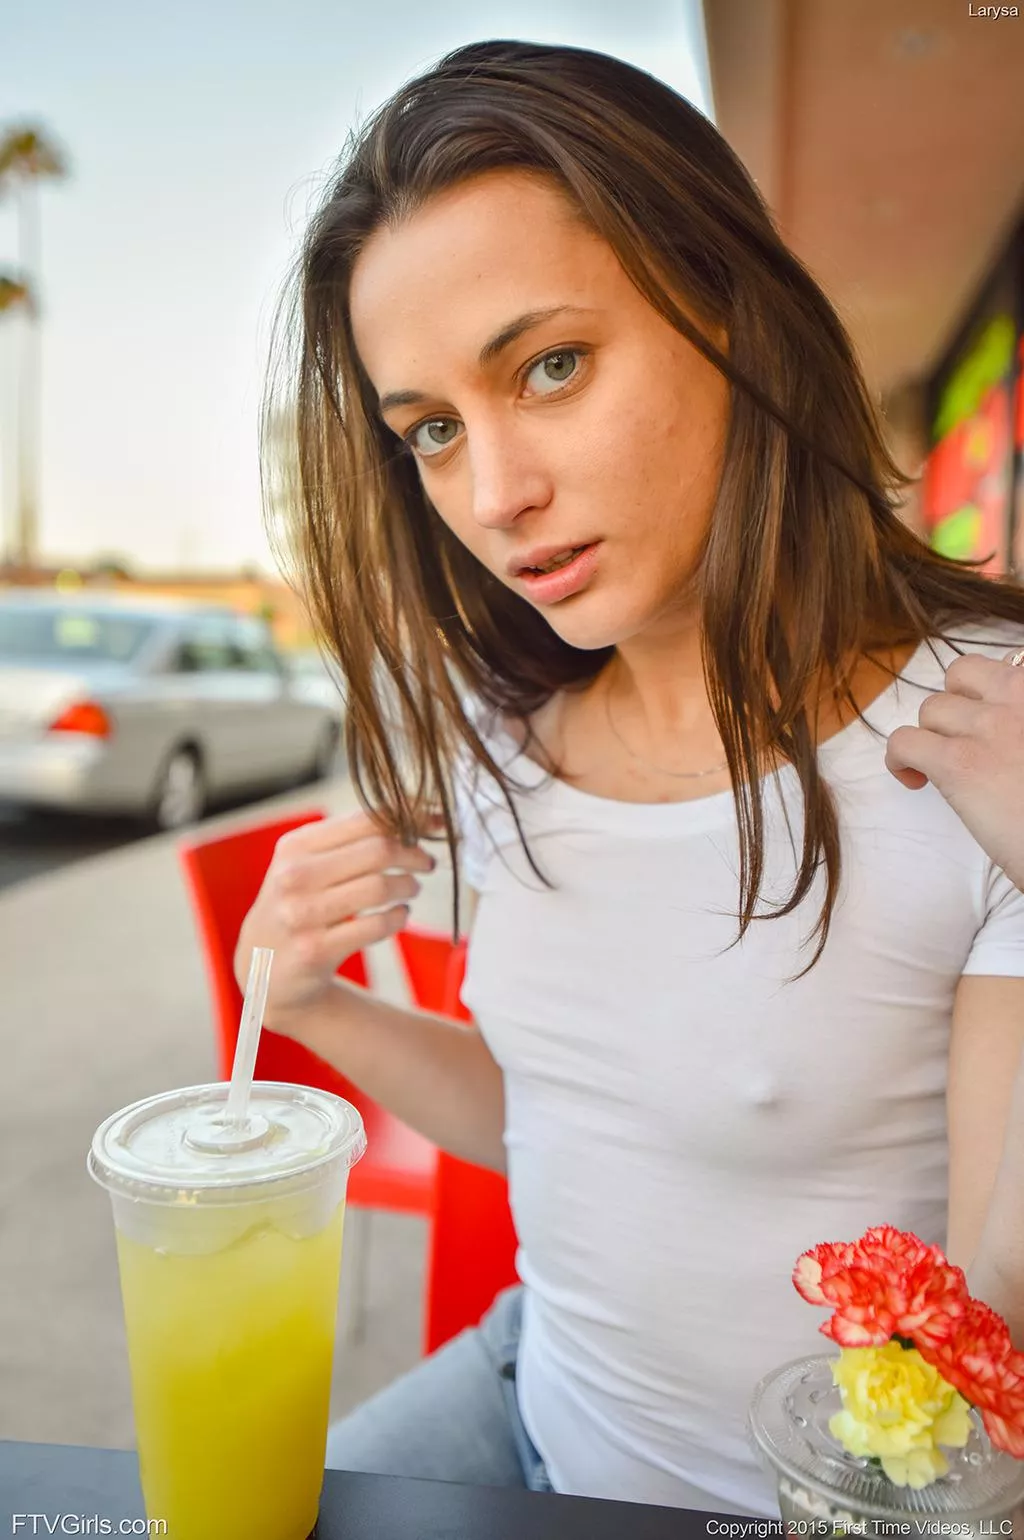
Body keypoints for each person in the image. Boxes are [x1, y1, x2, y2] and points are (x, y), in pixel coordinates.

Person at [239, 41, 1024, 1517]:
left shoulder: (982, 741)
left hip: (809, 1497)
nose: (493, 495)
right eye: (433, 430)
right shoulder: (499, 735)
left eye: (551, 366)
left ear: (730, 310)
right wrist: (314, 1006)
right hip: (529, 1393)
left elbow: (1001, 1318)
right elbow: (561, 1119)